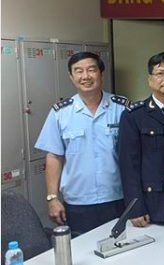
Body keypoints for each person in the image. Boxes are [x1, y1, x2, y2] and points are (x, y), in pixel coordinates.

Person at [35, 52, 128, 236]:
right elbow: (54, 157)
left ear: (101, 74)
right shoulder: (60, 113)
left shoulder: (122, 108)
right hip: (78, 202)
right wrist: (52, 198)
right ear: (71, 77)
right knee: (82, 250)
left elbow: (135, 154)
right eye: (78, 71)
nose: (85, 76)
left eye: (91, 70)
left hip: (117, 198)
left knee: (120, 247)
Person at [118, 52, 164, 227]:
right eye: (160, 73)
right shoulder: (134, 116)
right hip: (153, 203)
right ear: (150, 79)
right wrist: (135, 207)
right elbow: (128, 166)